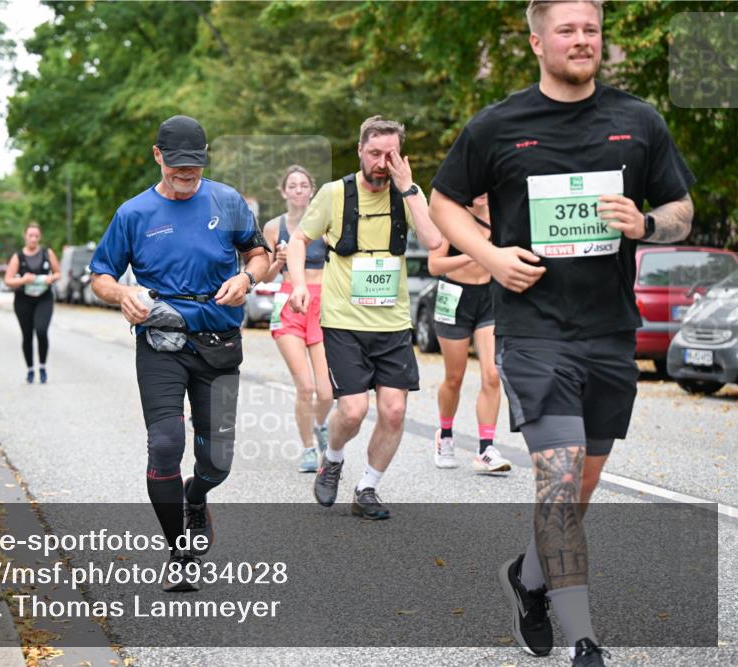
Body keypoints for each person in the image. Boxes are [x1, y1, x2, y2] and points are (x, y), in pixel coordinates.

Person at [428, 2, 695, 665]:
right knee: (556, 473)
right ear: (537, 39)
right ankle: (584, 637)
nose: (582, 40)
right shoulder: (499, 125)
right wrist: (489, 258)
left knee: (580, 487)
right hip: (533, 331)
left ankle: (528, 576)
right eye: (568, 30)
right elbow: (443, 201)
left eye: (592, 30)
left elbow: (683, 210)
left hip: (609, 332)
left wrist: (646, 225)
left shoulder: (638, 121)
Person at [89, 115, 269, 589]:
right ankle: (180, 551)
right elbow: (100, 276)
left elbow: (260, 254)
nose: (186, 179)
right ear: (157, 157)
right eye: (177, 171)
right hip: (161, 345)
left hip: (220, 343)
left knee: (218, 462)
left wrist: (246, 278)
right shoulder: (134, 214)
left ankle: (198, 498)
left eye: (193, 170)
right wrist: (122, 296)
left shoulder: (227, 201)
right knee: (167, 445)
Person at [287, 115, 442, 521]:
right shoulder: (334, 194)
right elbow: (298, 242)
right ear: (360, 150)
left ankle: (367, 488)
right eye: (374, 153)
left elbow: (434, 240)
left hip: (392, 324)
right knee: (353, 411)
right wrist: (300, 284)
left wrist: (408, 188)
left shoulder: (408, 194)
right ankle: (333, 458)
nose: (381, 162)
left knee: (393, 411)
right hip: (343, 321)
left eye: (390, 154)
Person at [428, 193, 511, 473]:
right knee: (455, 377)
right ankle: (445, 435)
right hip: (454, 297)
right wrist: (471, 254)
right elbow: (434, 264)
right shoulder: (453, 218)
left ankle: (486, 449)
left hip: (488, 298)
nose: (481, 193)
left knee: (492, 373)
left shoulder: (501, 215)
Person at [261, 166, 333, 473]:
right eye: (293, 185)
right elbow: (263, 276)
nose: (299, 190)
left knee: (327, 391)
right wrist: (277, 261)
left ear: (312, 190)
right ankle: (307, 449)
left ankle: (320, 424)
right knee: (305, 386)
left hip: (323, 302)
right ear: (284, 191)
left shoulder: (326, 224)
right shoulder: (273, 227)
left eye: (304, 185)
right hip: (288, 301)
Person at [4, 225, 60, 383]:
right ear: (25, 236)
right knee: (27, 335)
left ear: (40, 237)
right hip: (23, 299)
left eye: (36, 236)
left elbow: (58, 272)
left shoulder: (47, 253)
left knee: (41, 331)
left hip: (44, 298)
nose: (33, 238)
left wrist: (52, 278)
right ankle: (30, 369)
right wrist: (23, 279)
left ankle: (42, 366)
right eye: (30, 235)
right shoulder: (18, 256)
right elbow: (8, 280)